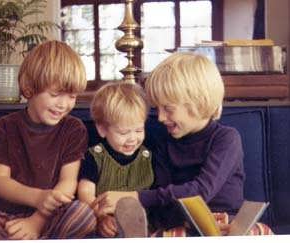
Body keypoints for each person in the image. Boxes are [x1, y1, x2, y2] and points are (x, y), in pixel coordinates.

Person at [92, 52, 273, 236]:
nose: (161, 118)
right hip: (182, 222)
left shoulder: (226, 139)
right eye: (157, 109)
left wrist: (134, 196)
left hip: (227, 222)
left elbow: (201, 191)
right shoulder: (165, 141)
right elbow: (163, 197)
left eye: (168, 109)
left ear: (198, 103)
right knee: (170, 232)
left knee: (260, 232)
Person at [0, 40, 97, 240]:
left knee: (83, 216)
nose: (63, 104)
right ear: (28, 88)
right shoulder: (6, 126)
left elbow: (68, 183)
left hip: (52, 217)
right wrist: (38, 198)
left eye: (72, 96)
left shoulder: (73, 128)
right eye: (55, 94)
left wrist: (37, 220)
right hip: (9, 220)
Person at [77, 82, 153, 237]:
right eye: (124, 132)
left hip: (144, 220)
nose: (133, 138)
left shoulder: (148, 155)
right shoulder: (95, 156)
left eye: (139, 130)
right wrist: (100, 216)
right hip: (105, 219)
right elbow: (85, 192)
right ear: (102, 129)